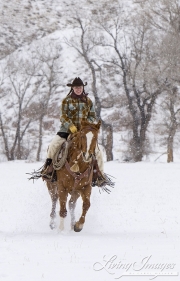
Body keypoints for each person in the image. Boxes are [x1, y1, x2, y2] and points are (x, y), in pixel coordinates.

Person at [42, 77, 104, 183]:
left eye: (80, 87)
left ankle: (99, 175)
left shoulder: (88, 101)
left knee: (98, 152)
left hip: (84, 131)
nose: (78, 89)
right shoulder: (66, 100)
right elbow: (63, 116)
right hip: (66, 130)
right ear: (73, 88)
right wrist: (70, 126)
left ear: (82, 88)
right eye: (76, 87)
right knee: (53, 146)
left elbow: (92, 116)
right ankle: (48, 169)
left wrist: (85, 125)